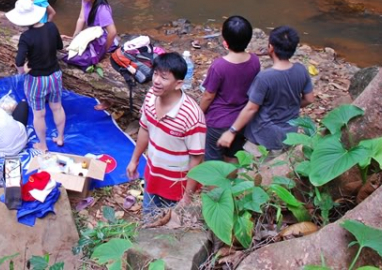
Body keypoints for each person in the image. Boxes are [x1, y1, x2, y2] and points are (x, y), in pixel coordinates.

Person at [126, 53, 206, 218]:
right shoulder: (150, 97)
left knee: (173, 231)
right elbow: (144, 129)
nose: (156, 81)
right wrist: (134, 160)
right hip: (153, 178)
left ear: (178, 84)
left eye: (164, 77)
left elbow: (196, 158)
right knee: (148, 221)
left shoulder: (192, 115)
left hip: (178, 188)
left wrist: (187, 197)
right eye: (155, 73)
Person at [217, 26, 315, 156]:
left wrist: (232, 131)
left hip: (262, 138)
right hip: (289, 135)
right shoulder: (301, 70)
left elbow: (251, 108)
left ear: (271, 48)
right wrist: (288, 106)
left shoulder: (265, 78)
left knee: (252, 172)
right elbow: (309, 99)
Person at [6, 0, 65, 151]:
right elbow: (60, 45)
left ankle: (43, 146)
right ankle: (60, 138)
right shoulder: (52, 27)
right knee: (57, 107)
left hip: (37, 80)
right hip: (55, 75)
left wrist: (22, 71)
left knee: (39, 114)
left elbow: (19, 61)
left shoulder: (26, 37)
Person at [199, 16, 260, 162]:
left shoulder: (219, 66)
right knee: (232, 157)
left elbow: (208, 95)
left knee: (213, 162)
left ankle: (216, 185)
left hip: (218, 121)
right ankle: (231, 184)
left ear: (225, 40)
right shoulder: (254, 61)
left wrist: (199, 114)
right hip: (241, 119)